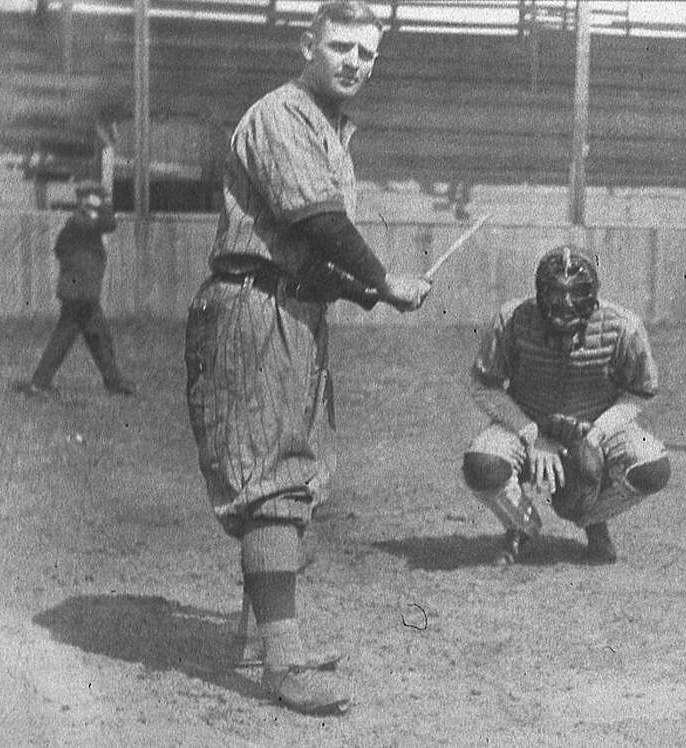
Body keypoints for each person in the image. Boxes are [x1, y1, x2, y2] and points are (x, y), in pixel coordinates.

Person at [183, 1, 430, 717]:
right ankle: (282, 666)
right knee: (274, 480)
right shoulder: (280, 115)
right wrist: (382, 278)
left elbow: (307, 246)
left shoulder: (330, 131)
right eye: (341, 47)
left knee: (300, 472)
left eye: (368, 53)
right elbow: (317, 222)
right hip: (252, 310)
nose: (354, 62)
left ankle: (256, 636)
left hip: (292, 307)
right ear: (308, 44)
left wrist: (367, 296)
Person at [461, 245, 672, 567]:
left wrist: (598, 432)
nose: (565, 306)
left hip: (595, 425)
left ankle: (591, 519)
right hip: (529, 422)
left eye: (577, 295)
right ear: (539, 293)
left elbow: (640, 392)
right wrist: (531, 433)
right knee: (482, 465)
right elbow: (484, 385)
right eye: (554, 295)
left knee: (651, 467)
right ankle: (522, 525)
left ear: (594, 295)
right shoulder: (512, 318)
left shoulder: (623, 326)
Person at [16, 180, 134, 397]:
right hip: (79, 292)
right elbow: (105, 224)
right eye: (97, 195)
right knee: (70, 337)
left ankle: (114, 382)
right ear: (85, 198)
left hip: (82, 291)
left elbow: (104, 226)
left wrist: (99, 207)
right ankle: (39, 384)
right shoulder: (79, 219)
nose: (101, 199)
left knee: (98, 337)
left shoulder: (86, 218)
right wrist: (96, 208)